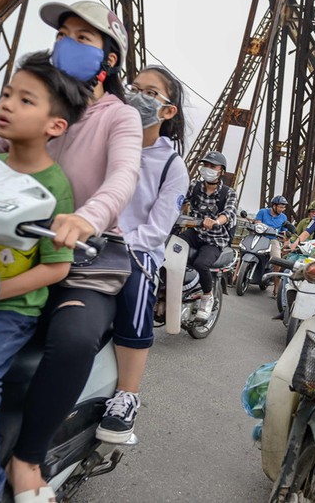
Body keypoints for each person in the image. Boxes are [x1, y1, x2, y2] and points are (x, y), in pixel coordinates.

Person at [0, 0, 142, 501]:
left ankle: (27, 459)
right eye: (63, 34)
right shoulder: (37, 104)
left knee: (72, 337)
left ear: (110, 59)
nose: (66, 43)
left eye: (82, 38)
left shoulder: (120, 117)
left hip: (87, 252)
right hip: (17, 243)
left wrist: (87, 216)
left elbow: (123, 176)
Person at [0, 51, 89, 503]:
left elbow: (56, 266)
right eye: (6, 94)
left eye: (25, 100)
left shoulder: (54, 187)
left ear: (55, 126)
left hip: (8, 309)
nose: (6, 104)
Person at [94, 65, 190, 444]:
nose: (136, 95)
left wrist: (121, 242)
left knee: (136, 286)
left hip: (135, 248)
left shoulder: (172, 165)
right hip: (91, 236)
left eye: (149, 93)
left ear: (168, 111)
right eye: (133, 87)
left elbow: (157, 229)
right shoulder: (108, 140)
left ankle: (127, 395)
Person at [179, 151, 238, 320]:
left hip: (214, 238)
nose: (207, 169)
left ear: (221, 171)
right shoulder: (195, 186)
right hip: (195, 232)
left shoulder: (229, 193)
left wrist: (216, 221)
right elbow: (179, 199)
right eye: (205, 165)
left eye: (213, 166)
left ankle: (207, 296)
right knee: (171, 249)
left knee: (201, 263)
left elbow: (229, 212)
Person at [254, 195, 290, 296]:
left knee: (277, 260)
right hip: (260, 237)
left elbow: (284, 231)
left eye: (284, 207)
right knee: (244, 250)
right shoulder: (263, 212)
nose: (282, 209)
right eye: (281, 207)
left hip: (273, 240)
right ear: (274, 206)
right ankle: (235, 277)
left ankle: (276, 288)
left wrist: (286, 236)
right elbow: (257, 223)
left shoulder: (283, 217)